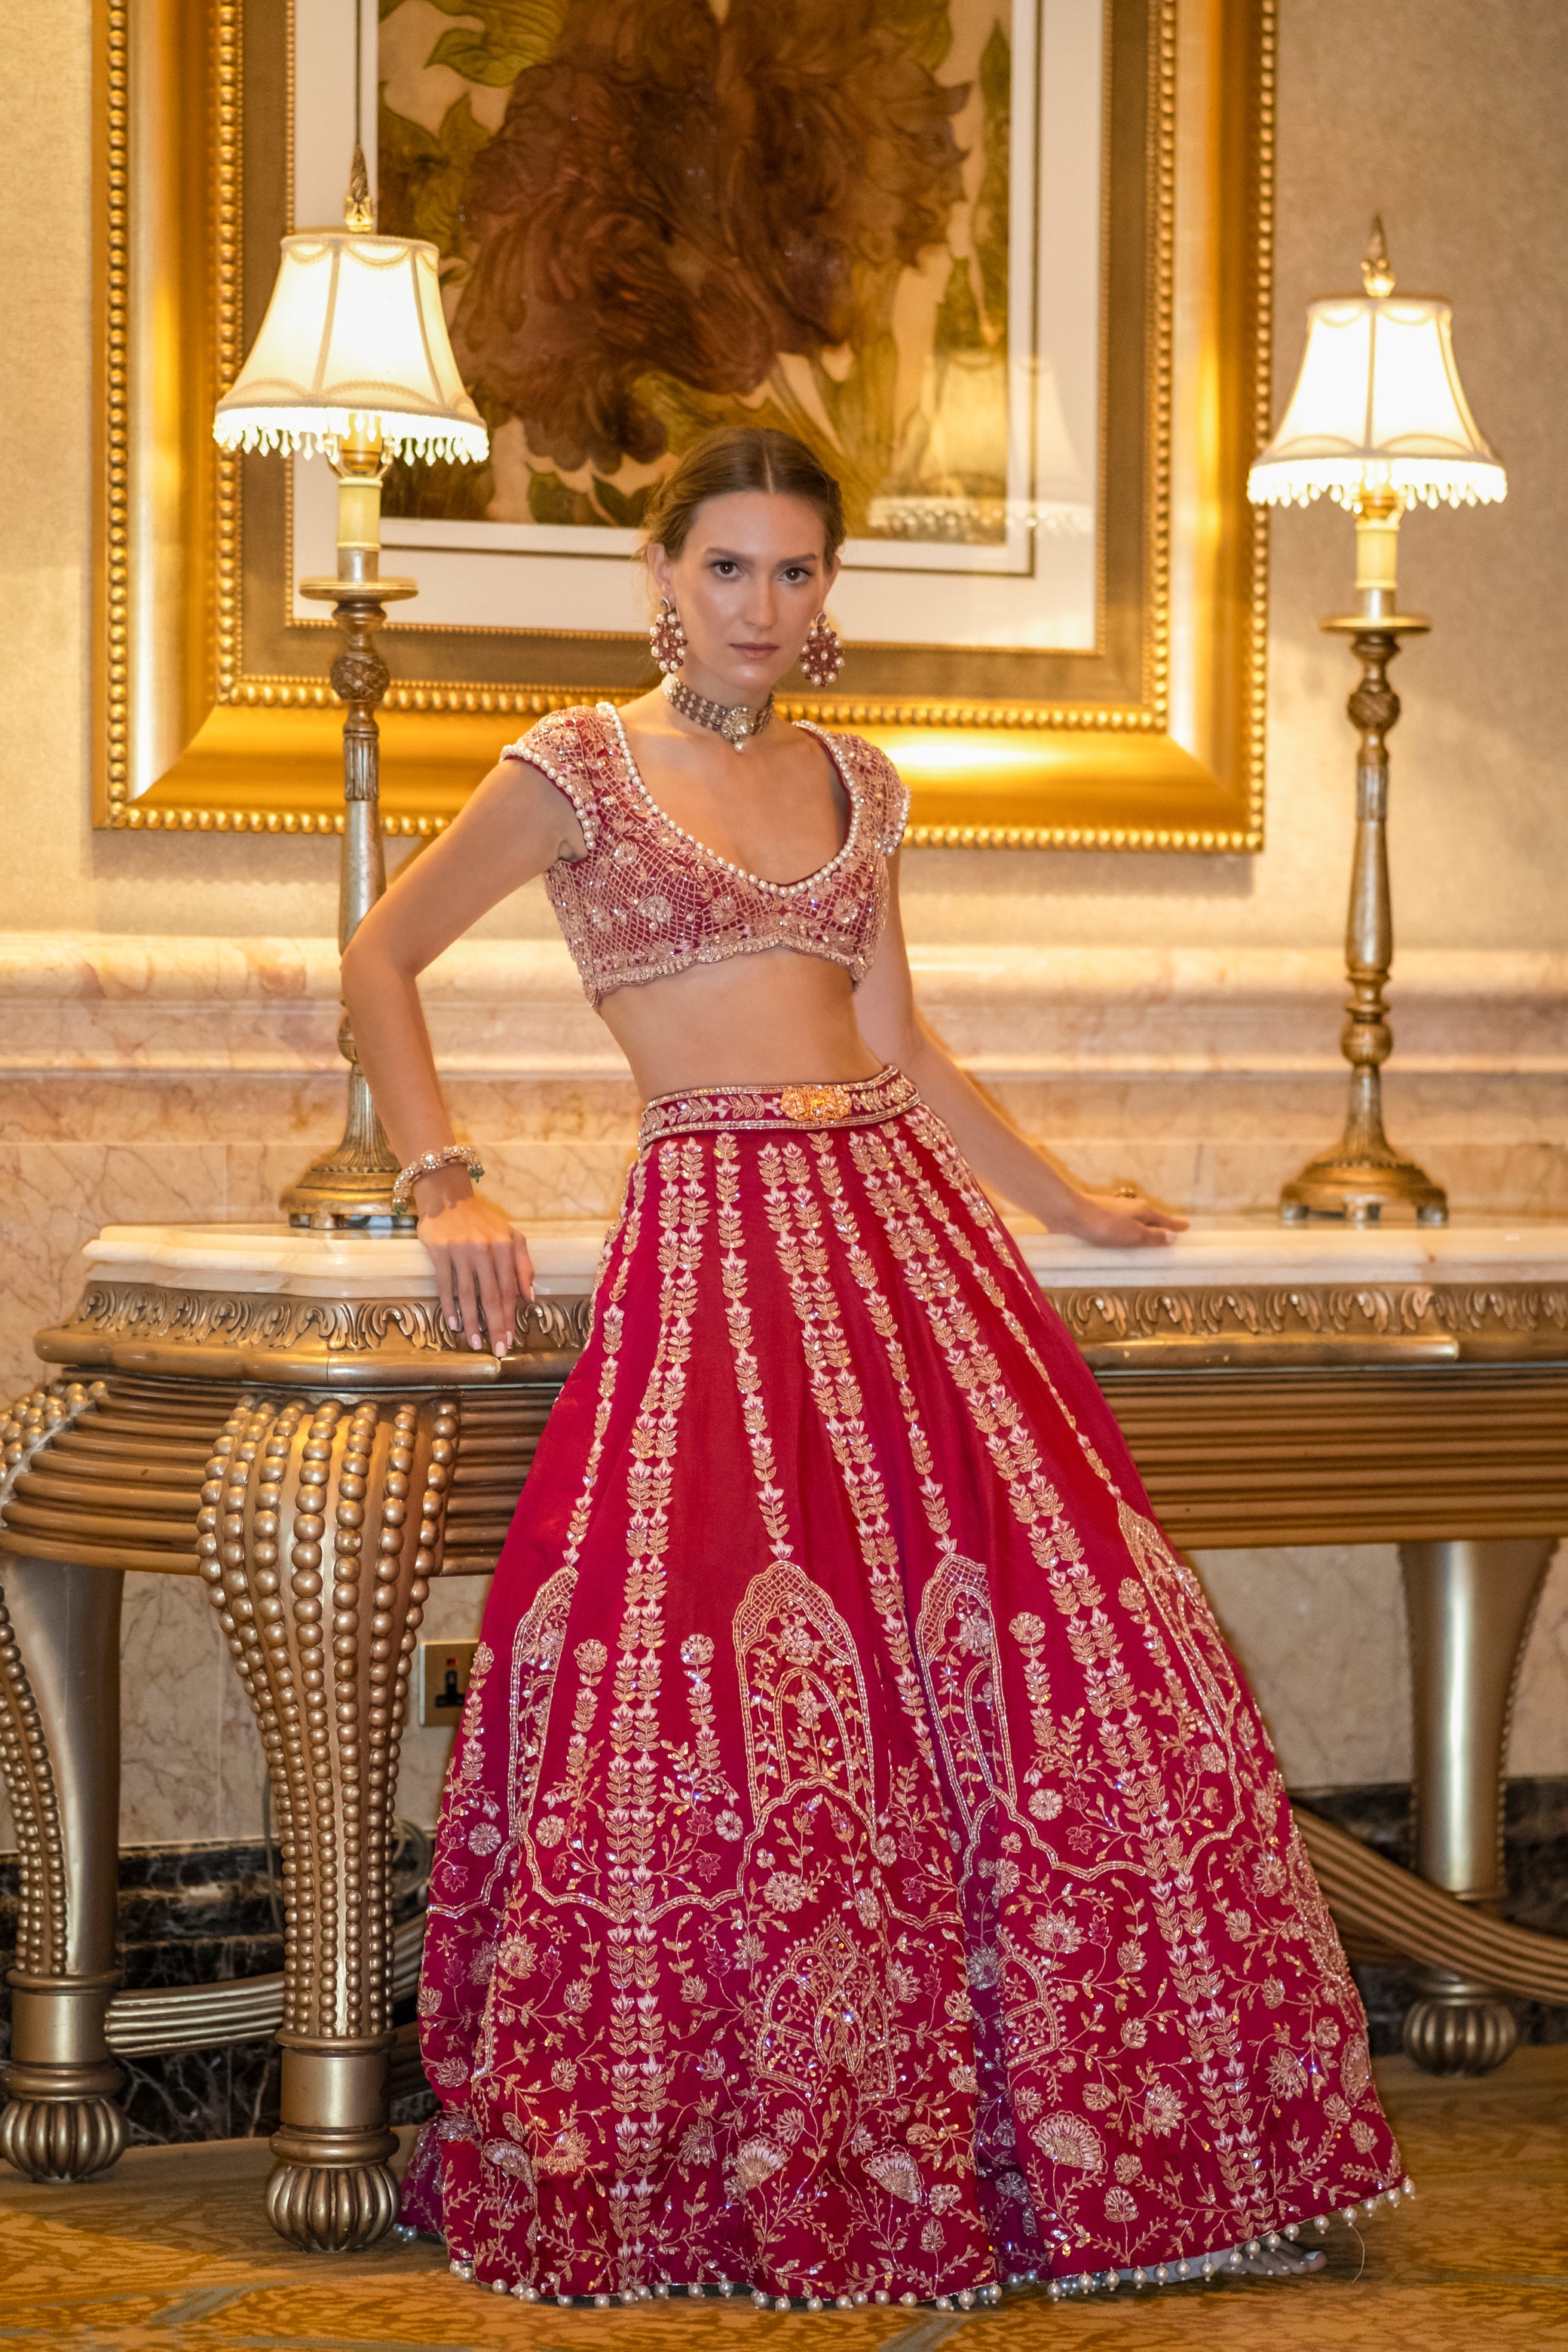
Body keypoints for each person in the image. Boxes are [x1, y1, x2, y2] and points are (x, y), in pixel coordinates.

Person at [341, 426, 1407, 2312]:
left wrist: (1062, 1200)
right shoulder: (572, 769)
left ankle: (1115, 2170)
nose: (764, 606)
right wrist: (444, 1180)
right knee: (756, 1680)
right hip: (725, 1250)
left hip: (907, 1243)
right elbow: (382, 953)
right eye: (729, 568)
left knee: (1034, 1651)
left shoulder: (862, 777)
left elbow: (898, 1040)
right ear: (658, 571)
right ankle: (767, 2159)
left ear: (830, 592)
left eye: (798, 572)